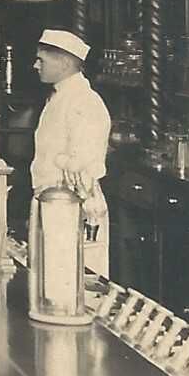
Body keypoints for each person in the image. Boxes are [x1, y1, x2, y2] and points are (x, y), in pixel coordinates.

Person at [29, 25, 112, 274]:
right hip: (52, 201)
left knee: (70, 278)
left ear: (64, 63)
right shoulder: (60, 97)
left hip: (72, 204)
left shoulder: (84, 101)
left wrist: (58, 161)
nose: (35, 65)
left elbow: (82, 160)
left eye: (42, 60)